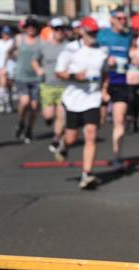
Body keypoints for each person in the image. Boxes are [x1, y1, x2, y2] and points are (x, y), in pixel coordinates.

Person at [55, 16, 108, 189]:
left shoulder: (102, 50)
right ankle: (63, 144)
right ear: (82, 32)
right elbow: (59, 72)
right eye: (90, 32)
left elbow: (105, 72)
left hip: (93, 99)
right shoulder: (70, 49)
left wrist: (105, 90)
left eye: (96, 32)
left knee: (91, 133)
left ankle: (87, 174)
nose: (94, 35)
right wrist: (74, 76)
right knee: (72, 138)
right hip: (73, 99)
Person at [97, 8, 133, 170]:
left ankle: (117, 156)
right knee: (99, 121)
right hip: (101, 81)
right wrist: (104, 59)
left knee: (119, 120)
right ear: (111, 20)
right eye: (120, 18)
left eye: (125, 18)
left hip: (120, 82)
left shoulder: (128, 36)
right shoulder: (102, 35)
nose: (123, 21)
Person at [39, 20, 69, 160]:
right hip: (48, 85)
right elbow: (34, 60)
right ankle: (49, 121)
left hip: (64, 86)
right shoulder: (44, 46)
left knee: (61, 115)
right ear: (52, 30)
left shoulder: (69, 47)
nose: (60, 32)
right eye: (57, 29)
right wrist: (38, 69)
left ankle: (56, 138)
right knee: (49, 115)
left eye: (62, 29)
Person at [11, 17, 43, 143]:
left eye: (33, 26)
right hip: (21, 76)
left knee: (34, 106)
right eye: (28, 26)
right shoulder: (19, 39)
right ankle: (21, 122)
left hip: (36, 77)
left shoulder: (41, 41)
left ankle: (29, 129)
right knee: (25, 101)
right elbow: (10, 50)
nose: (30, 29)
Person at [0, 26, 15, 113]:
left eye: (7, 33)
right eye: (4, 33)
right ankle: (2, 103)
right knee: (2, 84)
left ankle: (9, 102)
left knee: (9, 87)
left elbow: (16, 52)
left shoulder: (12, 42)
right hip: (1, 66)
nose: (6, 35)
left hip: (11, 66)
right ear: (1, 34)